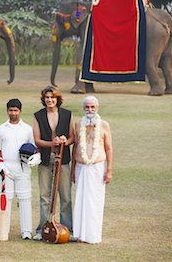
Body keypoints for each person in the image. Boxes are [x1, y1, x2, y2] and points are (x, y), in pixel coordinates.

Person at [32, 86, 74, 241]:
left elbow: (72, 137)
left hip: (62, 160)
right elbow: (37, 140)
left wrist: (64, 141)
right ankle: (42, 229)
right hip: (45, 159)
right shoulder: (38, 115)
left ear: (57, 99)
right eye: (47, 97)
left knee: (65, 196)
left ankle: (68, 229)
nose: (49, 100)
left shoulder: (67, 114)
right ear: (44, 99)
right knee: (44, 196)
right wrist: (52, 143)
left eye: (52, 97)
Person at [72, 96, 113, 244]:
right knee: (81, 201)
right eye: (87, 107)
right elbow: (75, 147)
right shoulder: (78, 124)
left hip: (97, 168)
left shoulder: (104, 125)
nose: (90, 110)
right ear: (83, 109)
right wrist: (72, 171)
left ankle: (93, 235)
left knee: (94, 201)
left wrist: (109, 170)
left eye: (92, 107)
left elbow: (108, 148)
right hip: (80, 168)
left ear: (97, 108)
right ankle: (80, 235)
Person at [0, 99, 36, 240]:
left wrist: (34, 159)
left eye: (16, 110)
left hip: (22, 168)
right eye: (11, 110)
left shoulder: (28, 129)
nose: (13, 113)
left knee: (25, 199)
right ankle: (3, 229)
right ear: (7, 111)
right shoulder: (1, 129)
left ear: (20, 111)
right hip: (6, 168)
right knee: (6, 198)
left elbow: (34, 148)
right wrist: (0, 162)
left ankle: (26, 231)